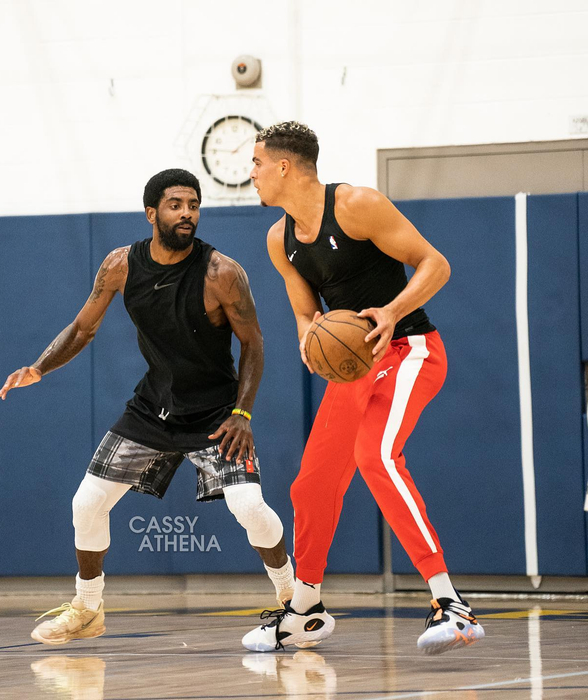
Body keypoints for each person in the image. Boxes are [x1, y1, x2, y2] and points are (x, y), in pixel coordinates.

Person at [0, 169, 295, 646]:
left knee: (249, 506)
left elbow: (253, 344)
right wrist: (39, 367)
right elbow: (83, 328)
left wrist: (242, 413)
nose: (187, 214)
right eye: (176, 205)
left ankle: (294, 599)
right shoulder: (121, 265)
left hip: (216, 415)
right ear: (151, 213)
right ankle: (88, 608)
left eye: (193, 205)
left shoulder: (221, 273)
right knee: (87, 503)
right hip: (152, 409)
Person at [241, 122, 485, 655]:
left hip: (410, 349)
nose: (251, 173)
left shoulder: (356, 205)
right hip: (355, 369)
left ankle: (452, 604)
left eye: (256, 163)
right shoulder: (279, 240)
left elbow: (436, 264)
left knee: (376, 456)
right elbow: (305, 312)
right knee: (311, 485)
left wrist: (393, 311)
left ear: (283, 165)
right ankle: (306, 609)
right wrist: (309, 339)